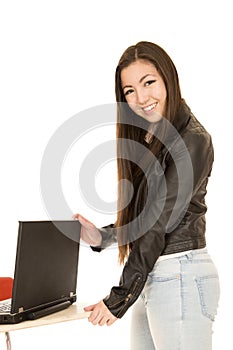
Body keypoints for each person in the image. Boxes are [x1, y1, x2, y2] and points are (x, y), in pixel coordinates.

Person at [73, 41, 220, 350]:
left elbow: (158, 223)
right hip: (156, 274)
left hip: (180, 275)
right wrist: (103, 236)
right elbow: (145, 216)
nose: (141, 98)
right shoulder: (153, 137)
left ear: (168, 78)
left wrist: (120, 296)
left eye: (148, 82)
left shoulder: (192, 140)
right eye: (129, 91)